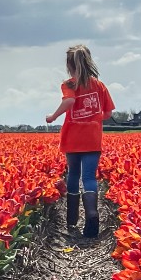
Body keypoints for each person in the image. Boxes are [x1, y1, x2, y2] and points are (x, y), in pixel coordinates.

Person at [45, 44, 114, 238]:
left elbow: (69, 102)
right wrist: (94, 118)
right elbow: (108, 113)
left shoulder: (69, 85)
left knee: (73, 175)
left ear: (69, 65)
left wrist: (53, 116)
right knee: (89, 178)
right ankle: (92, 213)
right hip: (92, 138)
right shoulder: (99, 86)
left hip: (73, 138)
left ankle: (72, 218)